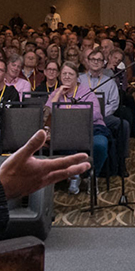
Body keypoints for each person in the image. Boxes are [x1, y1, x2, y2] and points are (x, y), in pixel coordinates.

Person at [45, 60, 111, 194]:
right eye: (64, 74)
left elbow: (96, 113)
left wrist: (74, 116)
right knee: (63, 142)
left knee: (100, 144)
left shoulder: (86, 92)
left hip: (90, 129)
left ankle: (91, 176)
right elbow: (46, 113)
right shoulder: (56, 94)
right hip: (66, 133)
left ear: (77, 77)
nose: (67, 77)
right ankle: (74, 175)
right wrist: (57, 95)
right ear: (60, 76)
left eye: (71, 74)